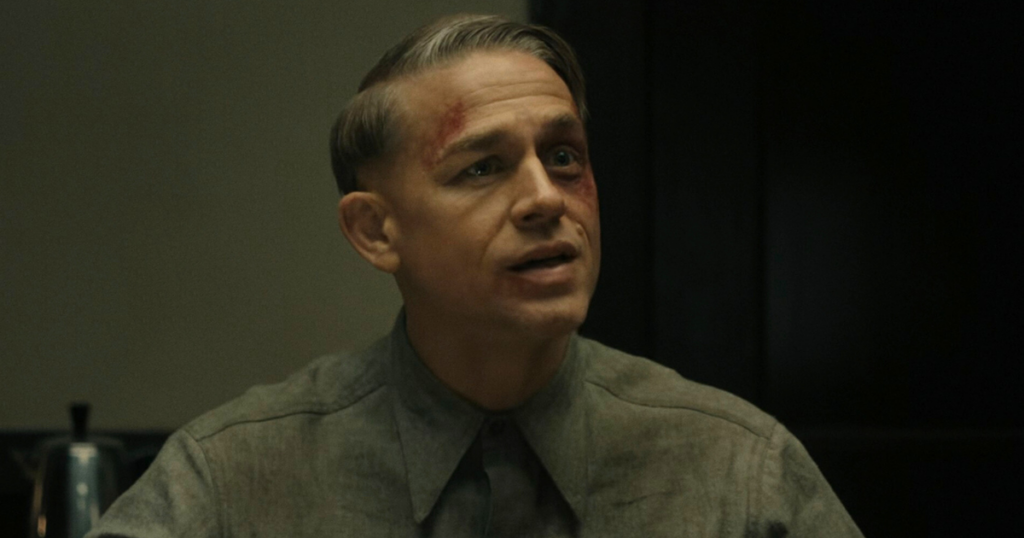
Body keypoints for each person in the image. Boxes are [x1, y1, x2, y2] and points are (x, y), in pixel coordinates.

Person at [88, 14, 863, 537]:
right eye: (483, 167)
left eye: (564, 156)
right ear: (375, 231)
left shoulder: (738, 471)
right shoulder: (234, 480)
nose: (545, 198)